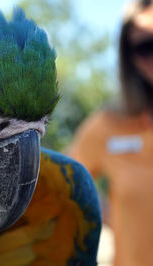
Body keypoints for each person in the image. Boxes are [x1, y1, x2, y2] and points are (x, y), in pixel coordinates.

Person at [68, 0, 153, 265]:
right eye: (145, 46)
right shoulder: (108, 126)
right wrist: (110, 214)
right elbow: (63, 184)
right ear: (130, 56)